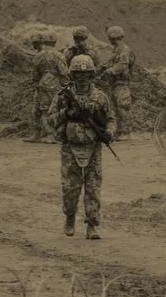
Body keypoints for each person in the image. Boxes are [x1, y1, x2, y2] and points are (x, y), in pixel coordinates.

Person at [48, 55, 116, 240]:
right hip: (70, 148)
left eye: (86, 74)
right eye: (78, 74)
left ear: (91, 75)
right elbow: (51, 118)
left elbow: (111, 119)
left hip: (93, 148)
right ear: (72, 75)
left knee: (93, 188)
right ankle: (70, 216)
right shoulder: (63, 97)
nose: (82, 78)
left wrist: (109, 133)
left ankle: (92, 225)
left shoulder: (100, 97)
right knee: (70, 189)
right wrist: (66, 112)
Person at [27, 31, 69, 144]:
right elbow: (64, 72)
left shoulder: (38, 56)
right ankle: (54, 135)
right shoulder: (59, 55)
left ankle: (45, 134)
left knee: (44, 110)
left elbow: (34, 74)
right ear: (55, 42)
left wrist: (38, 84)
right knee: (56, 109)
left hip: (42, 84)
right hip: (55, 84)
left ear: (44, 42)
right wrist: (66, 85)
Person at [100, 26, 134, 141]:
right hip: (115, 83)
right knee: (114, 108)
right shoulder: (116, 49)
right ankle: (118, 131)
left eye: (110, 37)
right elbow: (112, 62)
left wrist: (110, 70)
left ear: (113, 37)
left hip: (122, 83)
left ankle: (126, 132)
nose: (109, 39)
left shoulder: (124, 50)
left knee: (122, 107)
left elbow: (122, 65)